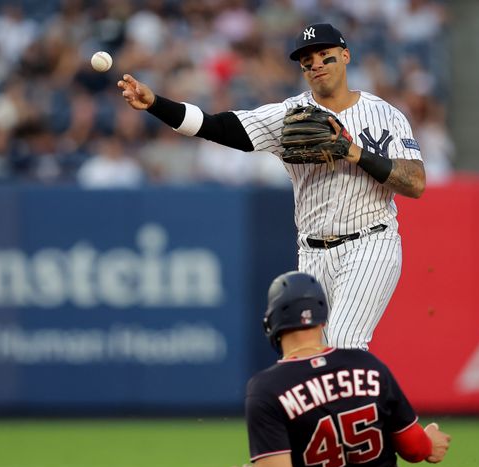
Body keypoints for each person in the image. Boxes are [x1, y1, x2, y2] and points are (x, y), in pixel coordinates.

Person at [118, 23, 426, 351]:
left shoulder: (384, 114)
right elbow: (216, 126)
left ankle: (380, 403)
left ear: (346, 55)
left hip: (371, 241)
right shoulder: (290, 114)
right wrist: (156, 104)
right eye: (307, 59)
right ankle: (370, 402)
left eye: (325, 55)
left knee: (345, 343)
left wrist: (353, 151)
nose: (316, 64)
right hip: (312, 253)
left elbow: (415, 183)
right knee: (310, 354)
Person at [228, 271, 451, 467]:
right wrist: (428, 442)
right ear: (324, 318)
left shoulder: (265, 388)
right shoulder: (368, 364)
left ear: (271, 323)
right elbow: (414, 449)